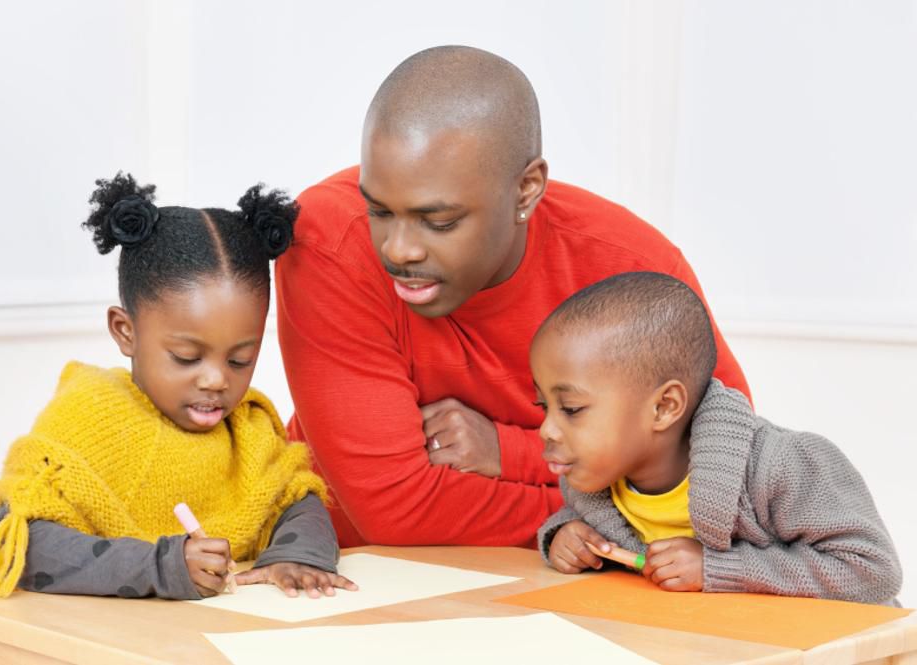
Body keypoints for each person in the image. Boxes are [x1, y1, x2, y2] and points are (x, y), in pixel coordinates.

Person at [277, 45, 751, 547]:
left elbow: (728, 481)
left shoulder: (635, 268)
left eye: (440, 222)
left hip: (584, 586)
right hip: (350, 585)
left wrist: (510, 452)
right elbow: (398, 511)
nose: (398, 249)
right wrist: (630, 517)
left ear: (527, 189)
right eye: (378, 211)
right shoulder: (329, 238)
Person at [0, 173, 357, 600]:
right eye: (187, 357)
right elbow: (27, 547)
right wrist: (160, 566)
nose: (216, 380)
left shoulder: (248, 431)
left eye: (239, 360)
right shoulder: (88, 416)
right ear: (125, 332)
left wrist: (297, 555)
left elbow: (299, 502)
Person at [533, 272, 901, 604]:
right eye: (542, 405)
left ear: (663, 407)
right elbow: (608, 531)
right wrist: (566, 536)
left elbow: (872, 571)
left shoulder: (782, 465)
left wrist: (719, 568)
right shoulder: (597, 483)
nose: (546, 429)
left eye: (571, 408)